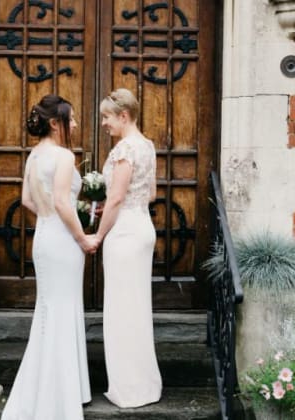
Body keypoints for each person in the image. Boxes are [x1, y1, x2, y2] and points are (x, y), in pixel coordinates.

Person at [1, 94, 97, 420]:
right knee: (63, 308)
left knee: (50, 309)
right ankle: (63, 395)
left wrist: (51, 217)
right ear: (54, 123)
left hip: (44, 238)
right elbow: (61, 200)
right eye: (70, 119)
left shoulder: (34, 156)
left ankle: (62, 387)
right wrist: (82, 237)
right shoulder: (64, 156)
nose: (74, 124)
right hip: (64, 242)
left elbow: (28, 200)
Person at [94, 88, 162, 408]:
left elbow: (117, 198)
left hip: (123, 233)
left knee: (122, 311)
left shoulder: (124, 150)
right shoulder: (147, 146)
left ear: (124, 116)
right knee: (137, 309)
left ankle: (130, 389)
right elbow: (149, 195)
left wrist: (98, 234)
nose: (104, 124)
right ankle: (145, 385)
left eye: (107, 117)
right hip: (142, 227)